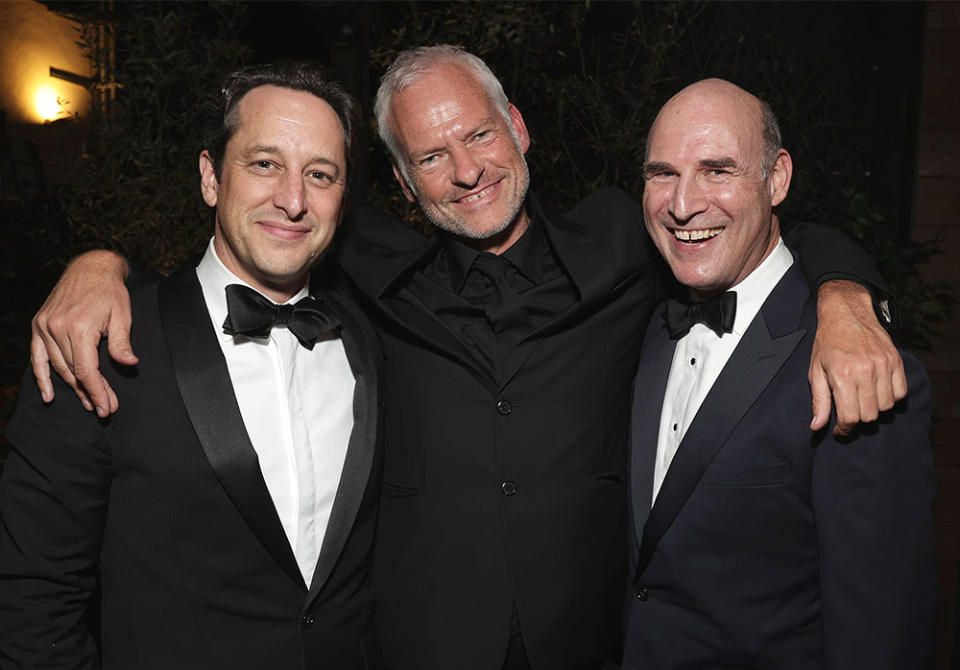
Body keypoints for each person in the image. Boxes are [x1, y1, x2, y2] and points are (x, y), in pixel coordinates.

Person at [28, 46, 905, 669]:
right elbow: (248, 246)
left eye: (478, 136)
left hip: (591, 645)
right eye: (430, 156)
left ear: (518, 127)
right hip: (419, 647)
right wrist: (98, 264)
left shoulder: (628, 242)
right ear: (404, 186)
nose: (466, 170)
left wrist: (844, 293)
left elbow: (756, 223)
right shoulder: (358, 266)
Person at [0, 61, 383, 669]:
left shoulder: (370, 339)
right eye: (264, 164)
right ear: (211, 177)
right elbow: (34, 596)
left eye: (320, 174)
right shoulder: (100, 342)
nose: (292, 199)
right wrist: (101, 261)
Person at [624, 79, 935, 669]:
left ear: (777, 179)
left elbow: (882, 633)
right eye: (662, 173)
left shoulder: (854, 367)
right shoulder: (648, 320)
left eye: (717, 170)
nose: (683, 203)